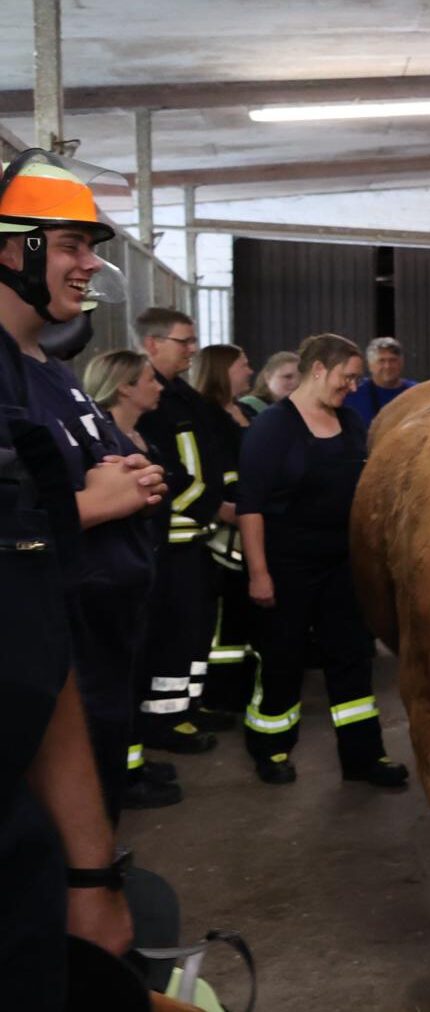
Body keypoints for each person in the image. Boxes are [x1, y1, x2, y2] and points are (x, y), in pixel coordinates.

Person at [0, 147, 140, 1007]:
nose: (90, 263)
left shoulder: (31, 373)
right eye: (69, 243)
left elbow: (30, 629)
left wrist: (90, 871)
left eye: (93, 245)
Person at [238, 332, 408, 789]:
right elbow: (249, 505)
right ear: (319, 370)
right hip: (285, 564)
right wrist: (258, 573)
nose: (353, 387)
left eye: (356, 380)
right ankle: (270, 747)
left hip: (342, 564)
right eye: (347, 378)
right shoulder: (272, 428)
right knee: (282, 659)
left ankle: (363, 757)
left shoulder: (351, 424)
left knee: (352, 657)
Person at [84, 349, 184, 808]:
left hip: (145, 565)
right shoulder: (103, 440)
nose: (159, 386)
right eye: (150, 379)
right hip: (114, 573)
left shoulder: (137, 435)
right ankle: (123, 775)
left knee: (137, 672)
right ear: (124, 386)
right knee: (116, 680)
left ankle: (134, 760)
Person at [135, 306, 232, 750]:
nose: (192, 350)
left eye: (194, 342)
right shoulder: (148, 401)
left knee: (195, 630)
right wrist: (203, 508)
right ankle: (163, 722)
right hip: (170, 541)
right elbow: (164, 473)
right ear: (153, 344)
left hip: (195, 537)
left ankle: (189, 706)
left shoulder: (183, 397)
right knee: (172, 635)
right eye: (184, 341)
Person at [193, 344, 259, 720]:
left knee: (245, 615)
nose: (250, 370)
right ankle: (219, 694)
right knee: (223, 622)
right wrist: (222, 508)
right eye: (243, 364)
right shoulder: (205, 414)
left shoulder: (247, 410)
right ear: (221, 370)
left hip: (250, 524)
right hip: (221, 531)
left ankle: (242, 687)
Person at [341, 335, 415, 426]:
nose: (387, 366)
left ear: (401, 363)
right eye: (381, 361)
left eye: (393, 360)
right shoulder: (352, 394)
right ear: (370, 365)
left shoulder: (416, 392)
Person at [239, 350, 298, 415]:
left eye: (301, 378)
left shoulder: (298, 409)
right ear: (268, 377)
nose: (296, 382)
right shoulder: (248, 405)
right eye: (287, 377)